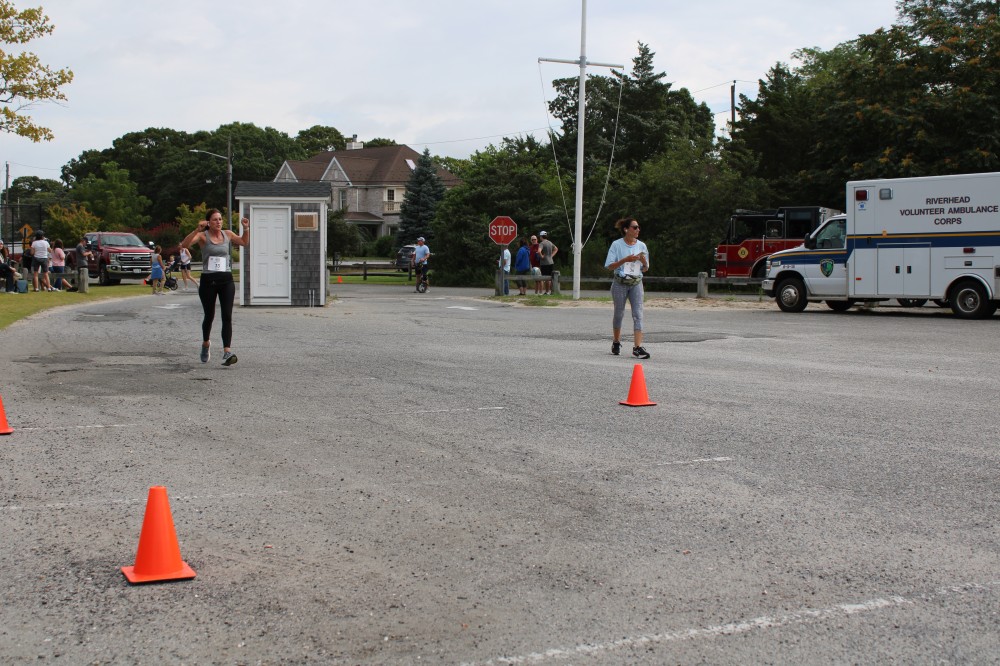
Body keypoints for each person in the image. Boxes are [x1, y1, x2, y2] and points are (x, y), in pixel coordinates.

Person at [180, 209, 250, 366]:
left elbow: (244, 242)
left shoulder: (228, 234)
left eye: (220, 219)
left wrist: (246, 228)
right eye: (215, 220)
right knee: (209, 315)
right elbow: (184, 245)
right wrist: (196, 230)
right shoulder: (202, 236)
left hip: (226, 280)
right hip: (208, 281)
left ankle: (227, 351)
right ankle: (206, 343)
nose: (218, 222)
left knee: (227, 315)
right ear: (208, 222)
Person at [605, 217, 650, 359]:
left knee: (638, 314)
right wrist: (625, 260)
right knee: (619, 313)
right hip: (620, 283)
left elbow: (645, 269)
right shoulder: (616, 245)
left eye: (638, 227)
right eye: (634, 227)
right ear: (626, 229)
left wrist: (644, 262)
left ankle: (637, 347)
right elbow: (609, 266)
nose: (638, 230)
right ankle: (616, 342)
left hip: (636, 283)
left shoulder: (642, 245)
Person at [537, 230, 558, 295]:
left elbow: (539, 251)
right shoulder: (549, 242)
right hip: (551, 262)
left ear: (541, 236)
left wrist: (542, 256)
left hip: (544, 263)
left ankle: (547, 291)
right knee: (550, 277)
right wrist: (551, 256)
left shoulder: (542, 243)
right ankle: (551, 291)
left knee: (546, 278)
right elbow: (556, 249)